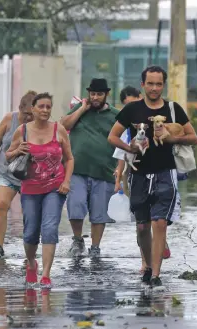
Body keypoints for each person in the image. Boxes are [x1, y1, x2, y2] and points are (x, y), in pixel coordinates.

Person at [108, 66, 197, 288]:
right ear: (143, 85)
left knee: (159, 223)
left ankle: (156, 274)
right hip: (138, 175)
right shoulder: (132, 110)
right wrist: (130, 148)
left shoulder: (173, 109)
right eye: (150, 83)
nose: (154, 88)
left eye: (159, 84)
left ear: (163, 85)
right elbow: (112, 136)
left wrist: (169, 139)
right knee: (142, 226)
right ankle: (148, 265)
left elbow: (193, 137)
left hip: (165, 172)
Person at [6, 92, 74, 289]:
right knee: (30, 233)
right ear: (33, 109)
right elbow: (8, 156)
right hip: (30, 188)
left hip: (55, 187)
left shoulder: (58, 130)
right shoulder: (22, 131)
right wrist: (18, 150)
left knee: (50, 228)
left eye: (48, 107)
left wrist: (67, 181)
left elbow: (69, 158)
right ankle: (31, 263)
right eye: (41, 107)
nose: (45, 110)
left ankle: (46, 274)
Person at [113, 86, 171, 273]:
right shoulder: (126, 127)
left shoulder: (155, 119)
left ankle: (159, 247)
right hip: (135, 173)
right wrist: (119, 176)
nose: (130, 109)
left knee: (158, 217)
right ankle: (145, 261)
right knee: (141, 222)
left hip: (159, 171)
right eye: (126, 106)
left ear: (140, 98)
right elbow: (122, 153)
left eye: (132, 104)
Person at [60, 78, 119, 258]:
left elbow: (124, 139)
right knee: (75, 205)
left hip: (104, 171)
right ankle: (78, 240)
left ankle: (95, 247)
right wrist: (82, 109)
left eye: (99, 94)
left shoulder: (115, 115)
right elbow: (63, 126)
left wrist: (120, 170)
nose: (95, 97)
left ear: (106, 95)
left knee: (99, 213)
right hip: (77, 170)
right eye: (92, 94)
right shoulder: (80, 109)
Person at [0, 90, 37, 260]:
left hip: (30, 175)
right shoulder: (9, 119)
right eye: (25, 114)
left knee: (30, 212)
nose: (28, 118)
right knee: (2, 204)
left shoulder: (40, 125)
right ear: (19, 108)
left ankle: (29, 247)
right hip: (7, 171)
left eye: (31, 115)